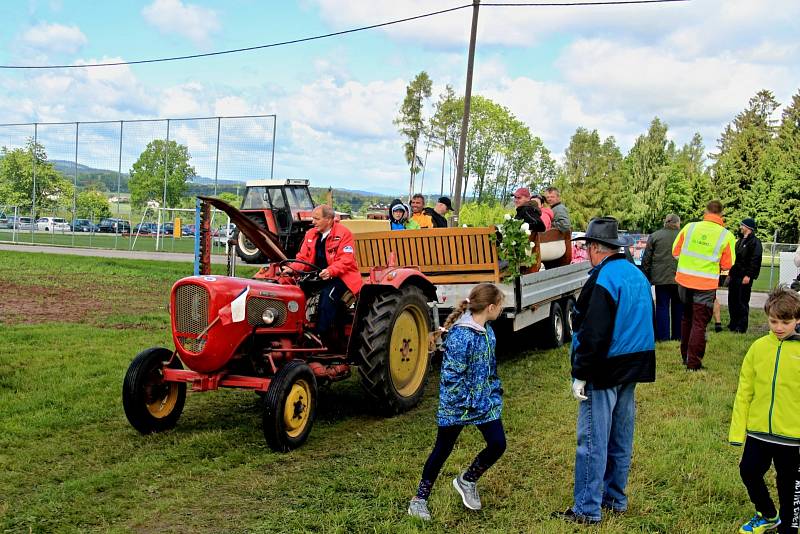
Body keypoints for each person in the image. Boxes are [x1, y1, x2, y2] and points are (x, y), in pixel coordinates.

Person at [553, 217, 656, 525]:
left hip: (605, 367)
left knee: (593, 441)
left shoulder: (602, 280)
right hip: (633, 365)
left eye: (587, 248)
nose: (586, 253)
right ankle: (614, 497)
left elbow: (592, 333)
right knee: (621, 436)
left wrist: (581, 372)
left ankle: (587, 509)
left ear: (597, 248)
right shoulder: (636, 274)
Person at [408, 284, 507, 522]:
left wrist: (494, 391)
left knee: (497, 443)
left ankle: (468, 480)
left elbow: (490, 366)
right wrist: (468, 402)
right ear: (491, 307)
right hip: (457, 405)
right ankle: (418, 500)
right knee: (443, 449)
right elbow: (451, 377)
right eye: (500, 305)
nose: (501, 310)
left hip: (484, 403)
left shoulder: (488, 331)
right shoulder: (462, 335)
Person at [728, 286, 800, 534]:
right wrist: (738, 432)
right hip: (758, 431)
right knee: (748, 471)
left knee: (789, 486)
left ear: (797, 320)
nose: (779, 327)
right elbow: (744, 391)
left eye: (785, 322)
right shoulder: (758, 348)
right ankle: (768, 514)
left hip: (793, 437)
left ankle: (790, 528)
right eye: (773, 321)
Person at [282, 205, 362, 348]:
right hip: (317, 276)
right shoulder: (311, 234)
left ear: (329, 219)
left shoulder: (344, 234)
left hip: (341, 277)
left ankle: (320, 337)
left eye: (317, 219)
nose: (313, 222)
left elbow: (346, 260)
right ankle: (296, 331)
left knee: (328, 296)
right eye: (313, 218)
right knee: (296, 293)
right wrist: (291, 268)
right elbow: (303, 259)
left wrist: (331, 271)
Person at [672, 200, 736, 371]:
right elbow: (727, 264)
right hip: (705, 284)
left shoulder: (689, 227)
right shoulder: (726, 235)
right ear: (721, 214)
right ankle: (693, 363)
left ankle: (685, 356)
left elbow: (675, 252)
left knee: (686, 318)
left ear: (705, 211)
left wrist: (690, 265)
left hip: (684, 280)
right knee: (699, 323)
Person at [641, 214, 683, 341]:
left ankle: (662, 337)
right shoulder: (683, 236)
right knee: (678, 306)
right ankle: (678, 335)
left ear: (665, 223)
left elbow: (646, 259)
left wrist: (646, 276)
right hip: (680, 277)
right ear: (677, 223)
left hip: (660, 278)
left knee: (662, 306)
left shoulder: (655, 236)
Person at [728, 218, 763, 333]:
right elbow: (735, 260)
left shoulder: (755, 242)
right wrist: (730, 274)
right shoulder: (739, 241)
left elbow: (755, 260)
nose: (740, 228)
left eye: (742, 225)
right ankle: (733, 323)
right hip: (735, 275)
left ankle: (741, 327)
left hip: (744, 277)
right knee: (732, 300)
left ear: (748, 227)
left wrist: (749, 275)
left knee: (742, 301)